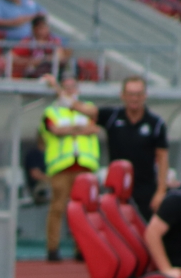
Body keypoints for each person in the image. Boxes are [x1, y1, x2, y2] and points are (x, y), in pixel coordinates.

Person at [47, 71, 167, 218]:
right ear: (122, 95)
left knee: (145, 228)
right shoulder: (112, 116)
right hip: (117, 190)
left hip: (146, 189)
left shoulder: (155, 123)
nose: (134, 98)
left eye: (138, 94)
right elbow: (81, 108)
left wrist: (161, 191)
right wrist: (57, 88)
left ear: (145, 96)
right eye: (130, 94)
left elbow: (162, 158)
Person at [39, 72, 99, 262]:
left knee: (83, 209)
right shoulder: (52, 111)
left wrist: (70, 131)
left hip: (84, 166)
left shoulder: (87, 108)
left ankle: (81, 249)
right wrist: (78, 130)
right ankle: (53, 249)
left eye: (73, 87)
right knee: (57, 207)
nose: (70, 91)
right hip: (62, 167)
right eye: (66, 87)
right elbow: (55, 130)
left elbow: (94, 127)